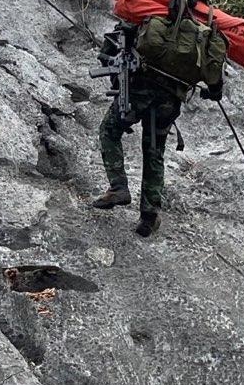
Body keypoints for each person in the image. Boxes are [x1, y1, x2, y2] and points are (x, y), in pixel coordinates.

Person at [92, 19, 222, 236]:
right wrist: (212, 91)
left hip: (137, 92)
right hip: (168, 102)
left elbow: (108, 51)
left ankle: (118, 187)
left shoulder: (145, 17)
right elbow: (215, 84)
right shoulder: (201, 34)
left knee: (109, 131)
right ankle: (149, 217)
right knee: (154, 152)